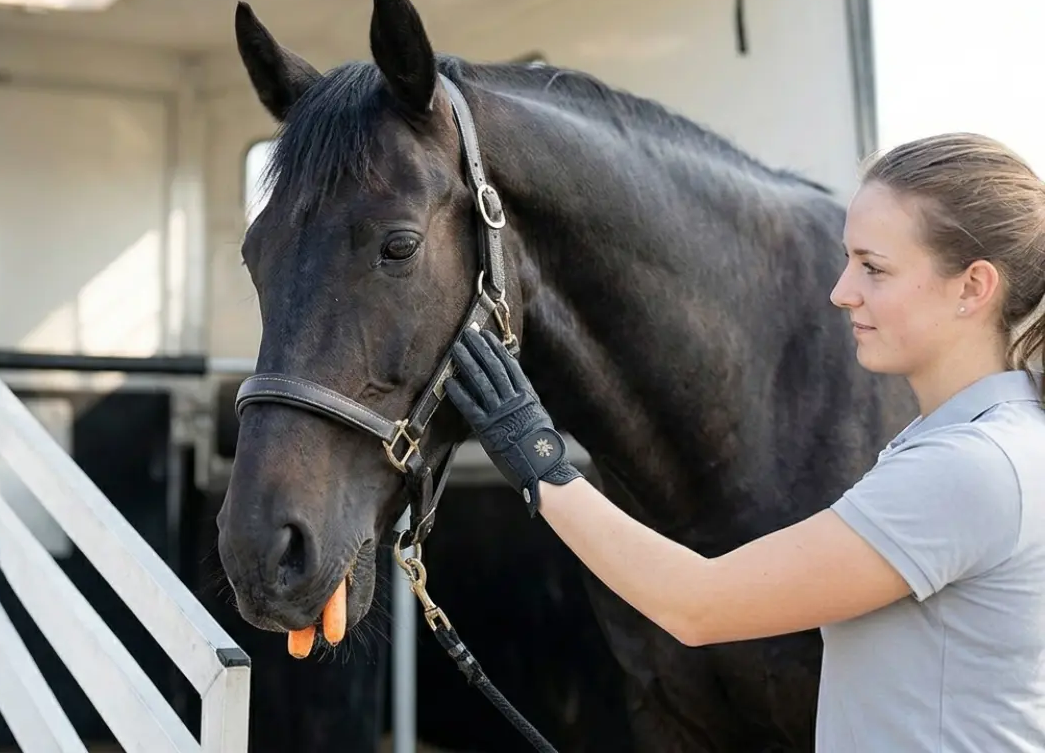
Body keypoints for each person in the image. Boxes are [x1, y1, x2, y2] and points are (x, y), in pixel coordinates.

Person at [443, 131, 1045, 752]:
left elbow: (698, 605)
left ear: (974, 286)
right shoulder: (990, 438)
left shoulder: (970, 467)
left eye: (874, 268)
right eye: (848, 261)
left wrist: (534, 455)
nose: (842, 293)